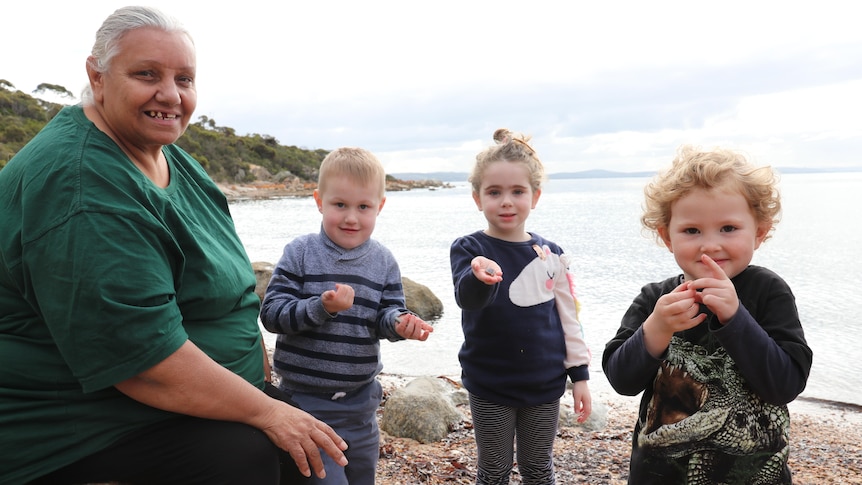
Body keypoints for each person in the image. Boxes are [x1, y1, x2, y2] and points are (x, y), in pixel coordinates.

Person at [0, 6, 348, 485]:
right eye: (147, 74)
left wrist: (261, 386)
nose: (170, 94)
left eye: (184, 79)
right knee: (252, 457)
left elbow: (236, 296)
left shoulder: (174, 160)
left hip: (188, 398)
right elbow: (141, 359)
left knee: (319, 459)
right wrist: (265, 411)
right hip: (81, 425)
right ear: (96, 76)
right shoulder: (82, 187)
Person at [602, 145, 813, 484]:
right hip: (658, 475)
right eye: (692, 231)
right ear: (666, 236)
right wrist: (656, 328)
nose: (710, 245)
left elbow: (785, 384)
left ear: (759, 232)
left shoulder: (768, 292)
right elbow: (620, 380)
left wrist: (736, 318)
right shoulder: (656, 300)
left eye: (728, 228)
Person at [259, 146, 435, 485]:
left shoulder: (383, 262)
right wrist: (320, 307)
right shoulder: (301, 253)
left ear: (379, 207)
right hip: (305, 403)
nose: (351, 217)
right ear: (319, 200)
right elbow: (272, 314)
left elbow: (387, 313)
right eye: (340, 205)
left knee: (360, 478)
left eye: (363, 207)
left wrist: (401, 324)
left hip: (361, 406)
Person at [449, 128, 592, 485]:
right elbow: (466, 298)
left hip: (545, 384)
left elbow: (569, 317)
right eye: (494, 192)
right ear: (477, 198)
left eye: (517, 191)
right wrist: (478, 276)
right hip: (490, 383)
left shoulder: (551, 254)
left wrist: (580, 377)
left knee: (539, 469)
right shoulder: (468, 249)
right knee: (494, 471)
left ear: (535, 196)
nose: (506, 201)